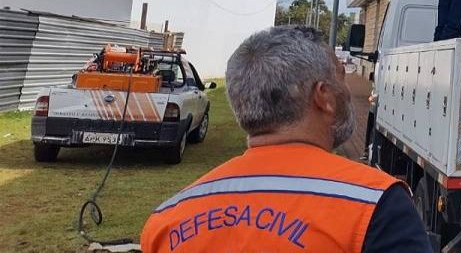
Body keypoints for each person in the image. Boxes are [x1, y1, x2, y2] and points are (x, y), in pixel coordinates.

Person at [140, 27, 431, 253]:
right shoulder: (375, 206)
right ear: (323, 96)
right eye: (341, 77)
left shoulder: (166, 221)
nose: (346, 90)